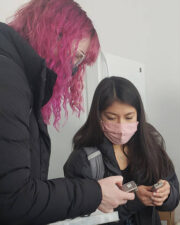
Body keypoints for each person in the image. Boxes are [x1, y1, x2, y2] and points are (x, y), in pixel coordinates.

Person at [0, 1, 134, 224]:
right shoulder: (8, 79)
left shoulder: (19, 80)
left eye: (81, 60)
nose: (74, 68)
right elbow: (14, 199)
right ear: (53, 34)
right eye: (78, 55)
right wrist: (96, 193)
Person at [64, 76, 180, 225]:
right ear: (98, 115)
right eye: (111, 117)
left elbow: (174, 198)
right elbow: (86, 217)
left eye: (129, 117)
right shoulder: (84, 160)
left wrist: (166, 193)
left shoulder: (150, 144)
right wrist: (134, 199)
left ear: (138, 114)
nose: (121, 126)